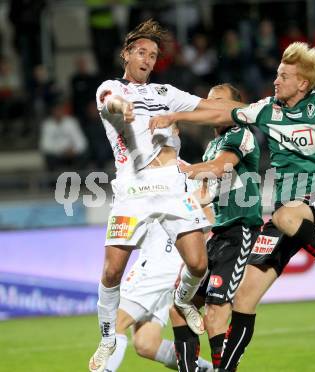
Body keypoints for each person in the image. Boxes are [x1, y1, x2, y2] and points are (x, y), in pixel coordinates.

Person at [150, 41, 315, 371]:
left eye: (284, 76)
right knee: (244, 297)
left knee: (284, 213)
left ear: (302, 83)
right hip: (282, 215)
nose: (276, 81)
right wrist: (176, 115)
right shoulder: (266, 110)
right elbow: (222, 112)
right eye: (277, 74)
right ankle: (224, 369)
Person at [89, 19, 241, 372]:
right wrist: (122, 108)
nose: (147, 59)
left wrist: (256, 111)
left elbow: (210, 109)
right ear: (126, 54)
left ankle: (184, 301)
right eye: (141, 52)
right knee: (112, 271)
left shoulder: (165, 93)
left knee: (198, 264)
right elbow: (110, 102)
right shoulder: (112, 88)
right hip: (133, 188)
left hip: (171, 185)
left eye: (153, 55)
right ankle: (108, 337)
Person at [167, 83, 263, 372]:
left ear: (236, 107)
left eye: (219, 102)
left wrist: (186, 169)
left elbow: (223, 167)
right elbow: (206, 194)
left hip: (240, 231)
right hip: (218, 234)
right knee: (179, 308)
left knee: (215, 311)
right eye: (209, 103)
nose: (212, 108)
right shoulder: (211, 146)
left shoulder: (241, 134)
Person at [104, 219, 213, 372]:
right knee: (146, 343)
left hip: (155, 266)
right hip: (170, 267)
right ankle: (208, 369)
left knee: (113, 324)